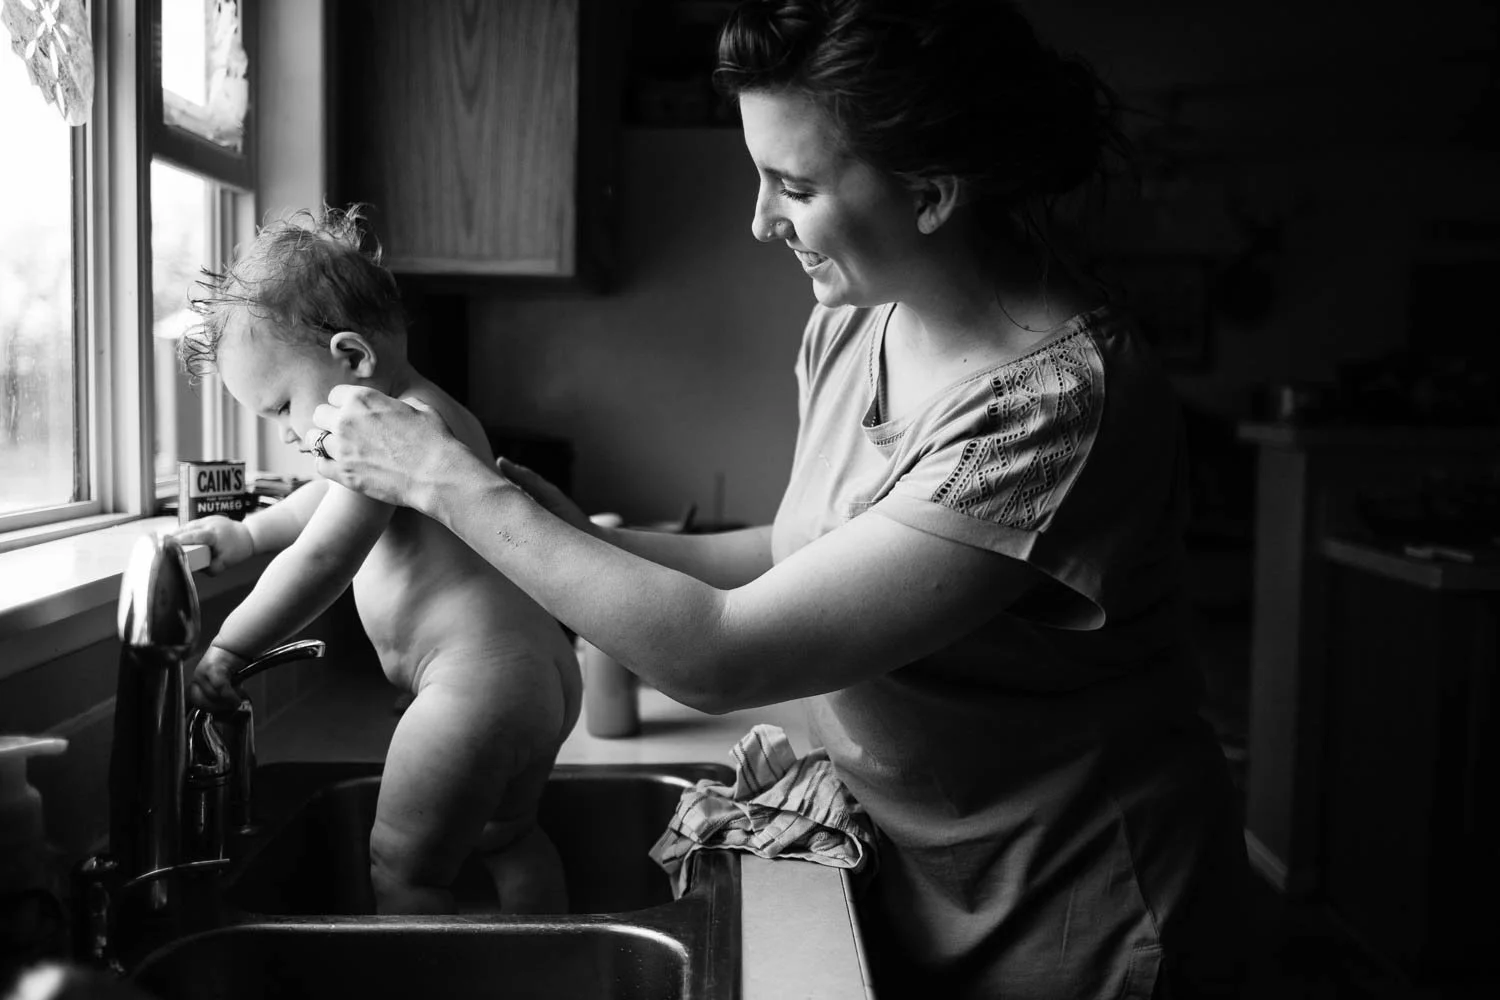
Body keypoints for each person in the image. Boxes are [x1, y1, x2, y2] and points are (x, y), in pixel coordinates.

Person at [303, 1, 1250, 995]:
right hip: (925, 876)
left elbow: (724, 649)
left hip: (1081, 920)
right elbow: (795, 560)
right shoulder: (855, 319)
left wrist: (445, 484)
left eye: (792, 184)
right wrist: (536, 515)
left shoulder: (1053, 409)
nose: (760, 221)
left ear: (930, 193)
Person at [170, 206, 582, 917]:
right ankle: (556, 969)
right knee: (508, 840)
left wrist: (231, 648)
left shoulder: (404, 428)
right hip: (538, 675)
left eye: (282, 408)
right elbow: (320, 508)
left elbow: (324, 556)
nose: (289, 432)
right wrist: (246, 536)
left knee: (403, 870)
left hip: (470, 691)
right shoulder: (429, 417)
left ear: (352, 359)